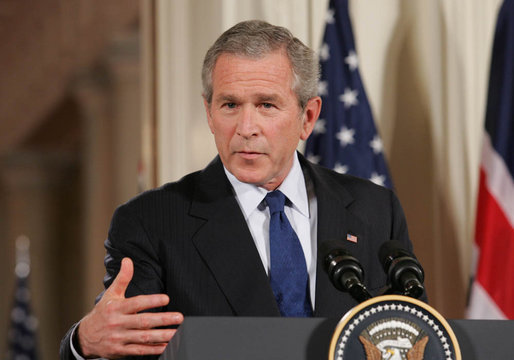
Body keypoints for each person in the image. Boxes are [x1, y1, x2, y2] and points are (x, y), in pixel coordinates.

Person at [60, 20, 416, 360]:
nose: (247, 128)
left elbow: (416, 337)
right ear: (210, 113)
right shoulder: (151, 223)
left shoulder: (374, 210)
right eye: (230, 105)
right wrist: (84, 343)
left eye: (266, 105)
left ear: (307, 117)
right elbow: (127, 344)